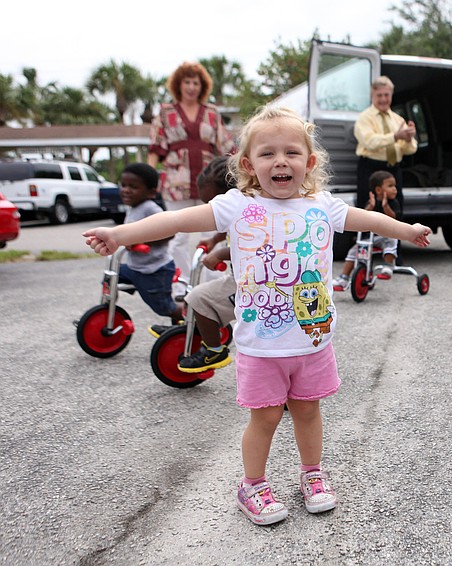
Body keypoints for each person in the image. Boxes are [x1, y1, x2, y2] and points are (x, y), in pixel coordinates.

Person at [83, 104, 432, 526]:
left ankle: (311, 474)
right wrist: (118, 234)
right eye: (268, 154)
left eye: (291, 152)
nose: (280, 161)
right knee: (264, 416)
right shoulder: (237, 206)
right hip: (261, 344)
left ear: (310, 162)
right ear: (249, 164)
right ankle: (252, 484)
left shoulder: (323, 205)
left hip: (313, 338)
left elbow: (370, 219)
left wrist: (408, 230)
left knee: (308, 410)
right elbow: (173, 220)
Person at [147, 61, 236, 293]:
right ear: (179, 85)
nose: (191, 87)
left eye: (195, 82)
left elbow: (226, 146)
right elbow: (156, 147)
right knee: (176, 237)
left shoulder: (211, 113)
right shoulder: (166, 113)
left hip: (209, 183)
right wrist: (151, 177)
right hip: (178, 183)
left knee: (211, 233)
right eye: (187, 82)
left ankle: (212, 286)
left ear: (202, 86)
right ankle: (182, 285)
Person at [148, 156, 238, 373]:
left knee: (198, 297)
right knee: (197, 292)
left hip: (250, 284)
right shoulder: (242, 212)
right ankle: (192, 326)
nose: (209, 209)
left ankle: (215, 349)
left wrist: (220, 254)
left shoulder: (248, 217)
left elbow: (250, 249)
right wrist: (214, 240)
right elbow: (227, 229)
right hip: (245, 278)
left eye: (213, 203)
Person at [115, 163, 184, 326]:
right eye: (123, 185)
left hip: (155, 269)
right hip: (136, 267)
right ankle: (109, 310)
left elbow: (170, 231)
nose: (126, 190)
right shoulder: (133, 207)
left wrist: (141, 241)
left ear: (151, 192)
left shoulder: (151, 208)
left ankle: (194, 316)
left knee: (164, 307)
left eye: (133, 187)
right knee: (111, 274)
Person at [354, 76, 417, 211]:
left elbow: (410, 149)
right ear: (372, 96)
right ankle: (365, 233)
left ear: (391, 95)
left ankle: (395, 232)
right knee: (368, 209)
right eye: (379, 95)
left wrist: (408, 138)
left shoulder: (398, 119)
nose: (383, 99)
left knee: (395, 210)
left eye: (386, 95)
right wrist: (395, 136)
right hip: (371, 169)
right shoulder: (364, 118)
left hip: (394, 170)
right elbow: (370, 142)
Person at [332, 170, 401, 290]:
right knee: (353, 252)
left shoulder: (393, 203)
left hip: (385, 237)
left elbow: (393, 218)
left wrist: (385, 206)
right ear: (379, 190)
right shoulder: (371, 202)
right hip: (370, 239)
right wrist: (371, 206)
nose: (395, 189)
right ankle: (344, 278)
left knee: (391, 241)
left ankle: (388, 265)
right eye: (390, 186)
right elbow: (364, 215)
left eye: (394, 186)